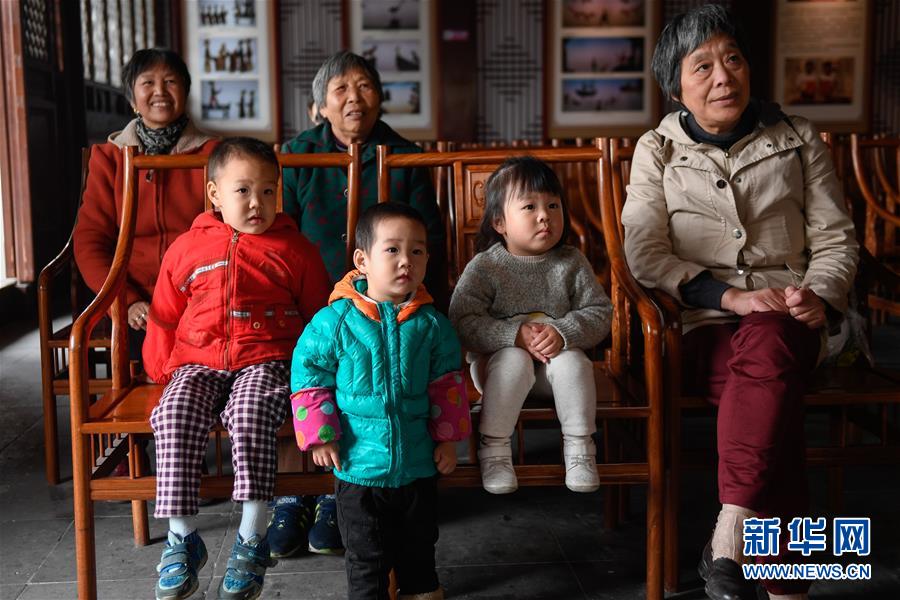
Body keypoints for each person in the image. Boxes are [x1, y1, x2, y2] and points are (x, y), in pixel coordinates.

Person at [621, 6, 858, 600]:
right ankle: (784, 584)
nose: (724, 76)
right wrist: (731, 296)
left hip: (792, 313)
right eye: (702, 66)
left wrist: (819, 296)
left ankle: (730, 533)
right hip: (702, 320)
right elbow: (644, 252)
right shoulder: (656, 148)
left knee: (771, 346)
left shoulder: (797, 137)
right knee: (773, 398)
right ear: (676, 87)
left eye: (733, 59)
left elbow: (836, 239)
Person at [272, 49, 448, 557]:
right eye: (341, 89)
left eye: (365, 86)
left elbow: (429, 239)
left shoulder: (404, 154)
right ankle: (293, 495)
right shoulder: (297, 155)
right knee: (297, 364)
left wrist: (410, 300)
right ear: (320, 105)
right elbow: (280, 236)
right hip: (309, 300)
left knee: (375, 375)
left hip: (386, 301)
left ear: (380, 96)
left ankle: (339, 494)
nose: (354, 98)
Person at [143, 138, 331, 600]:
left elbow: (319, 317)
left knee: (250, 414)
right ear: (214, 193)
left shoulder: (295, 250)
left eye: (268, 192)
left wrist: (322, 373)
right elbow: (165, 314)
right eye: (243, 190)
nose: (256, 203)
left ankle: (251, 536)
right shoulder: (187, 248)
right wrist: (161, 369)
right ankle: (182, 537)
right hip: (197, 359)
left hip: (267, 358)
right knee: (173, 414)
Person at [291, 202, 470, 600]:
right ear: (363, 261)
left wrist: (447, 440)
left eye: (417, 251)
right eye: (392, 249)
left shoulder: (431, 324)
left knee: (419, 545)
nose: (406, 260)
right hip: (358, 469)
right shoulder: (335, 321)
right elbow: (308, 376)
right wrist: (320, 434)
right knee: (366, 556)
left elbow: (447, 385)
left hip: (416, 465)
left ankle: (422, 591)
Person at [449, 157, 612, 495]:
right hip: (496, 370)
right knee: (514, 359)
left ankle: (580, 448)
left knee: (574, 361)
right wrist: (513, 336)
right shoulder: (486, 266)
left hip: (553, 376)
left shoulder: (571, 262)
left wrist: (564, 332)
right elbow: (462, 321)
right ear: (499, 222)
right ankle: (495, 449)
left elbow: (600, 312)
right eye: (529, 207)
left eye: (553, 205)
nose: (544, 216)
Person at [74, 48, 218, 360]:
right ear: (131, 97)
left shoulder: (214, 154)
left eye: (170, 82)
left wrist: (205, 296)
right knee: (143, 355)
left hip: (200, 295)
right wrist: (126, 302)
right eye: (148, 82)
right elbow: (90, 241)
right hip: (130, 299)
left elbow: (227, 233)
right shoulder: (109, 158)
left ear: (185, 92)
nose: (160, 91)